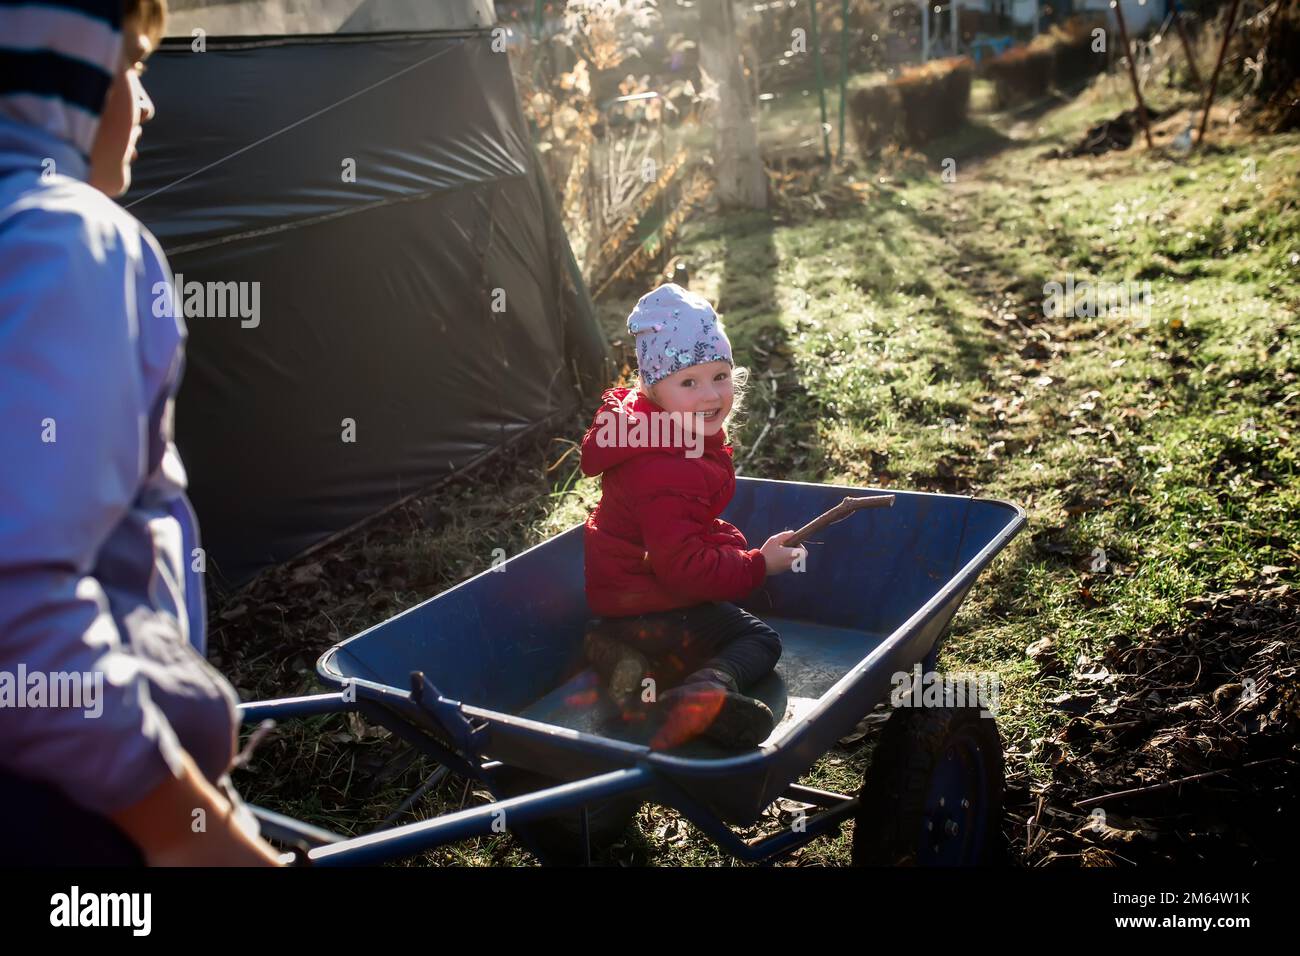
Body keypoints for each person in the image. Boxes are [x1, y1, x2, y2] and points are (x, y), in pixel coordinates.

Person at [0, 0, 282, 865]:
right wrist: (198, 838)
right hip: (81, 821)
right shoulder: (62, 236)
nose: (147, 103)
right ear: (60, 74)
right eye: (131, 65)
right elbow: (16, 612)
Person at [578, 282, 807, 750]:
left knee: (716, 606)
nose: (711, 396)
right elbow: (682, 567)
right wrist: (757, 565)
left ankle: (626, 652)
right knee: (759, 640)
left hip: (626, 596)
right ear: (654, 389)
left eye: (719, 376)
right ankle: (703, 689)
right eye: (689, 382)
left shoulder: (654, 431)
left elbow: (682, 529)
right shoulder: (667, 467)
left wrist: (730, 547)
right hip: (655, 600)